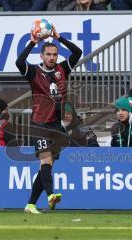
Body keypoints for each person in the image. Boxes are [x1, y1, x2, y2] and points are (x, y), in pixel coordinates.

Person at [16, 24, 82, 213]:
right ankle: (51, 195)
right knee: (45, 161)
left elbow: (77, 52)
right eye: (48, 54)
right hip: (39, 123)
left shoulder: (62, 69)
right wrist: (32, 42)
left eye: (54, 54)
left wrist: (59, 38)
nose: (52, 58)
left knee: (46, 166)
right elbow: (19, 62)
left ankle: (30, 204)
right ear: (42, 56)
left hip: (55, 124)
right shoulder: (34, 72)